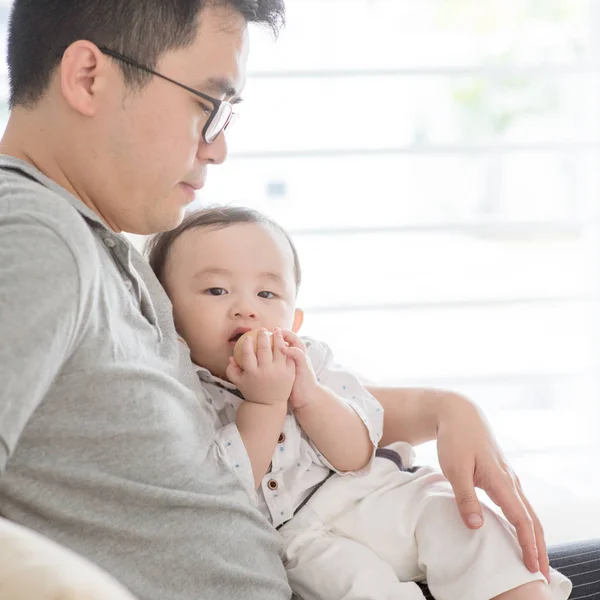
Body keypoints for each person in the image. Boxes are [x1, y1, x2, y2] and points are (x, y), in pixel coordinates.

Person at [0, 1, 597, 599]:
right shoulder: (34, 235)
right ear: (88, 78)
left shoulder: (97, 244)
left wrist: (442, 407)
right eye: (207, 106)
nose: (217, 148)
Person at [146, 205, 572, 600]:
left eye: (267, 294)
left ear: (294, 320)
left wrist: (307, 394)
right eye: (217, 290)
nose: (246, 309)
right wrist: (266, 403)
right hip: (299, 539)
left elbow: (355, 454)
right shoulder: (183, 394)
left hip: (370, 493)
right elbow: (225, 488)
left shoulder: (312, 360)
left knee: (459, 519)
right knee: (359, 587)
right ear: (170, 321)